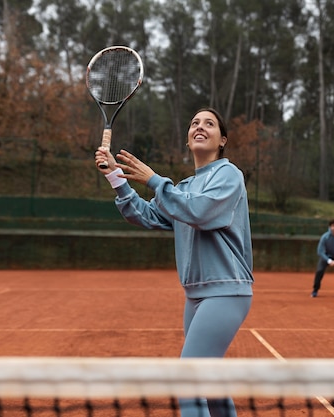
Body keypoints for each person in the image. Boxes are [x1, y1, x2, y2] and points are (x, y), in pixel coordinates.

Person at [95, 107, 254, 417]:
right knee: (210, 384)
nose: (200, 126)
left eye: (209, 123)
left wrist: (154, 180)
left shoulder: (229, 175)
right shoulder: (181, 188)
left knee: (188, 381)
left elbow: (202, 211)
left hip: (226, 291)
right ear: (187, 139)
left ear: (222, 139)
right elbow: (145, 214)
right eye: (194, 122)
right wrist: (116, 176)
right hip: (195, 295)